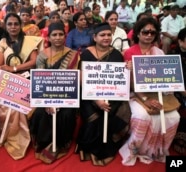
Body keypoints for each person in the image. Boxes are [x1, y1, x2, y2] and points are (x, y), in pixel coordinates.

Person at [119, 17, 181, 166]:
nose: (148, 35)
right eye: (145, 32)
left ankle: (158, 150)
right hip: (135, 94)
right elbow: (131, 83)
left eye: (152, 33)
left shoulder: (159, 52)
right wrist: (146, 99)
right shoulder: (129, 53)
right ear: (138, 34)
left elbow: (165, 77)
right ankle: (135, 150)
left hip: (157, 93)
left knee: (174, 116)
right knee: (142, 116)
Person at [75, 22, 131, 166]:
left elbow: (120, 81)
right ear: (95, 37)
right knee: (95, 118)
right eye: (102, 35)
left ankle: (106, 147)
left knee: (112, 113)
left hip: (111, 95)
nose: (106, 38)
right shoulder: (86, 54)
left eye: (109, 35)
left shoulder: (117, 54)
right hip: (88, 95)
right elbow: (82, 80)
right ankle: (91, 148)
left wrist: (128, 69)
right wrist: (97, 100)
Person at [0, 13, 43, 160]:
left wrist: (15, 69)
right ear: (5, 25)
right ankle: (11, 134)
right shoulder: (2, 42)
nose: (13, 27)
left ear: (20, 25)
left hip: (27, 79)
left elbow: (33, 62)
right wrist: (6, 71)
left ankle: (23, 137)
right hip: (8, 80)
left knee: (20, 104)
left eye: (16, 24)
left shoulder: (29, 41)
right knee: (4, 104)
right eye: (10, 24)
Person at [30, 22, 79, 164]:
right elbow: (40, 81)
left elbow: (72, 80)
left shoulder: (73, 55)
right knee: (41, 113)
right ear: (49, 38)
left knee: (67, 114)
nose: (58, 37)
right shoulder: (42, 56)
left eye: (60, 34)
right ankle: (45, 143)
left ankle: (60, 143)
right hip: (46, 96)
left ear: (65, 36)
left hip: (66, 95)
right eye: (54, 35)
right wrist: (47, 102)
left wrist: (61, 102)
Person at [172, 27, 186, 155]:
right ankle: (181, 138)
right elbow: (172, 80)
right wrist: (183, 91)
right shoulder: (173, 57)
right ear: (181, 42)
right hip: (178, 90)